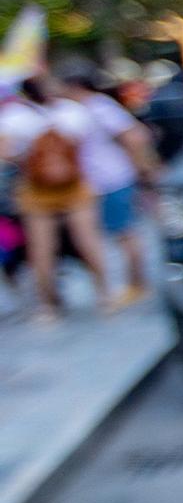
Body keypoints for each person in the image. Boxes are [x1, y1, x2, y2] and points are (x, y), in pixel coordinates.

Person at [0, 75, 115, 321]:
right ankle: (104, 293)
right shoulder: (73, 111)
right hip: (75, 185)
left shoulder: (15, 117)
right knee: (87, 240)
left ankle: (48, 305)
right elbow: (82, 146)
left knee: (42, 247)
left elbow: (5, 153)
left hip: (36, 189)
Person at [59, 68, 157, 306]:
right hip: (103, 181)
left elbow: (135, 136)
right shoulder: (87, 109)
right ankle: (133, 285)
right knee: (121, 234)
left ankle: (137, 284)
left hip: (111, 179)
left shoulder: (98, 107)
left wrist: (142, 167)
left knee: (124, 233)